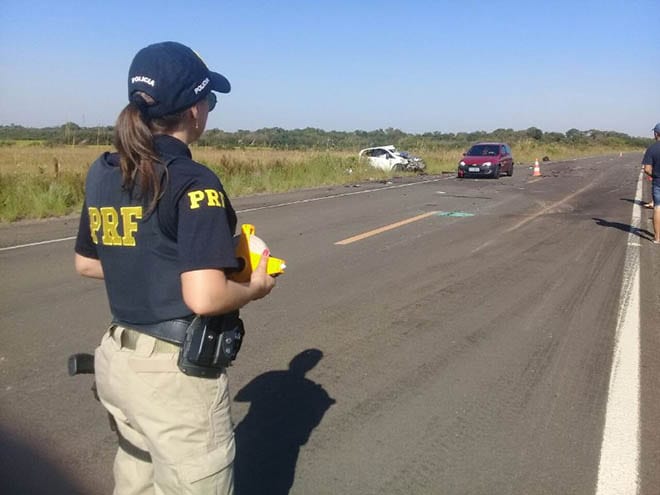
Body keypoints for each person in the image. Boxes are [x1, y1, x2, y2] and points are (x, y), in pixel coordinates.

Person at [74, 41, 276, 494]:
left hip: (117, 361)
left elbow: (88, 262)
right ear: (194, 110)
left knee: (136, 480)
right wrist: (256, 285)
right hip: (172, 379)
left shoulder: (105, 170)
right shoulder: (192, 179)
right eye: (210, 100)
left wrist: (171, 266)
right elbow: (204, 297)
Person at [643, 123, 660, 244]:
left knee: (658, 209)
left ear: (656, 134)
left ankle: (657, 237)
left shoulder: (651, 149)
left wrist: (653, 176)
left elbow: (647, 169)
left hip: (658, 182)